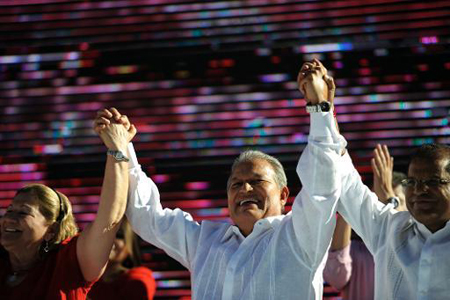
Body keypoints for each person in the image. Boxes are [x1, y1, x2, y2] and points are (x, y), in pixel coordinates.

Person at [94, 59, 342, 300]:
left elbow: (322, 186)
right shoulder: (207, 241)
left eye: (256, 182)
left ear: (283, 194)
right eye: (236, 184)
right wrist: (123, 147)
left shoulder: (300, 235)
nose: (245, 189)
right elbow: (148, 216)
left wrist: (318, 108)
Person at [301, 60, 450, 299]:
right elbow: (344, 177)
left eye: (433, 182)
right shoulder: (390, 231)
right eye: (412, 182)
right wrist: (322, 109)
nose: (420, 190)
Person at [0, 113, 136, 299]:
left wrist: (117, 148)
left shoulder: (69, 265)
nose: (9, 218)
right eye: (9, 210)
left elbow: (109, 220)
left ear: (51, 230)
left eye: (23, 212)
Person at [323, 146, 407, 300]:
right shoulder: (356, 251)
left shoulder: (418, 243)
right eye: (378, 202)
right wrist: (350, 204)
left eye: (397, 201)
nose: (385, 207)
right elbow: (335, 276)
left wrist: (388, 196)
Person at [88, 219, 156, 300]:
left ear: (130, 246)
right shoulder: (83, 272)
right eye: (105, 233)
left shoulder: (140, 277)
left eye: (119, 235)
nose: (110, 239)